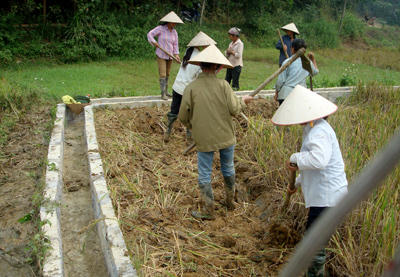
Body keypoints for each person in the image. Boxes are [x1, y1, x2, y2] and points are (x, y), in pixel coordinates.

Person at [271, 84, 348, 276]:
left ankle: (315, 274)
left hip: (328, 198)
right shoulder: (314, 128)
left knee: (313, 242)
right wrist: (296, 184)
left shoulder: (319, 132)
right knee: (315, 240)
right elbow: (312, 165)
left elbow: (318, 161)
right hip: (325, 196)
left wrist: (295, 157)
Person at [179, 44, 254, 219]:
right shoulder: (224, 85)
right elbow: (235, 110)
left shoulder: (191, 88)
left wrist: (194, 126)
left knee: (204, 173)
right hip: (226, 135)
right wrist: (244, 101)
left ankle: (208, 210)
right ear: (217, 67)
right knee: (228, 167)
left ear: (200, 66)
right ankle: (230, 201)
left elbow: (183, 117)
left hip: (203, 138)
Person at [163, 31, 217, 143]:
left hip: (177, 86)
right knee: (190, 113)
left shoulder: (188, 51)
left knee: (173, 111)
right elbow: (198, 76)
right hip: (187, 89)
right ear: (203, 46)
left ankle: (167, 133)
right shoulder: (199, 58)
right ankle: (189, 138)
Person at [147, 11, 183, 100]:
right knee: (162, 74)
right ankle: (163, 93)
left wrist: (176, 55)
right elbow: (150, 34)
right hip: (161, 54)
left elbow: (175, 44)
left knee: (167, 73)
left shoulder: (174, 32)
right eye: (173, 22)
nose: (174, 24)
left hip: (170, 56)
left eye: (175, 23)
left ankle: (166, 91)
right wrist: (154, 42)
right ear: (168, 22)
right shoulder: (161, 28)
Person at [275, 38, 319, 105]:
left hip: (286, 95)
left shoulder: (287, 62)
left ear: (292, 49)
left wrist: (277, 93)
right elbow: (315, 72)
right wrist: (313, 59)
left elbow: (280, 81)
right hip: (300, 96)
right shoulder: (307, 63)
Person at [224, 27, 243, 91]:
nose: (230, 37)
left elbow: (239, 55)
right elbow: (226, 54)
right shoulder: (231, 44)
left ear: (235, 36)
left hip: (236, 66)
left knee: (235, 83)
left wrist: (231, 52)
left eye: (231, 36)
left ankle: (236, 94)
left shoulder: (240, 44)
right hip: (230, 65)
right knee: (227, 81)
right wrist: (227, 51)